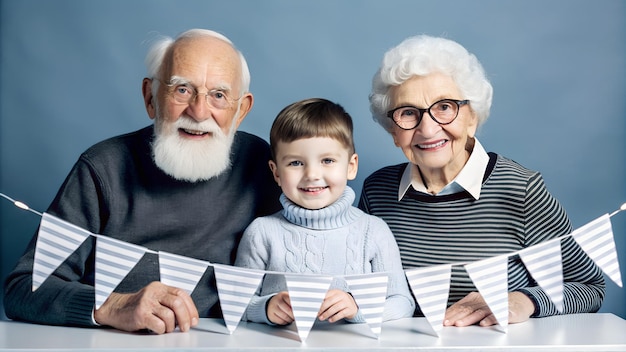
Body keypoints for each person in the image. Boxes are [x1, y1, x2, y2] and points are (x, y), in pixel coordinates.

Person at [3, 29, 281, 334]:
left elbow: (325, 243)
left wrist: (343, 295)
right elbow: (22, 289)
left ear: (240, 110)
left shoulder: (266, 166)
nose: (199, 112)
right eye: (182, 90)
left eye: (218, 95)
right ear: (151, 97)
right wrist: (113, 306)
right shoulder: (103, 167)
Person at [358, 35, 605, 327]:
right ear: (393, 131)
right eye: (408, 113)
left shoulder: (521, 190)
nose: (428, 128)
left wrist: (524, 300)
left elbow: (590, 288)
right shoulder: (377, 190)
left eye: (445, 107)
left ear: (472, 116)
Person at [234, 98, 415, 326]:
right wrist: (266, 308)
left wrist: (358, 308)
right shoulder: (261, 232)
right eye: (296, 163)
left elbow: (402, 302)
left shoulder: (373, 231)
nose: (312, 174)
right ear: (276, 172)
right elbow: (236, 304)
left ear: (351, 166)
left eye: (327, 160)